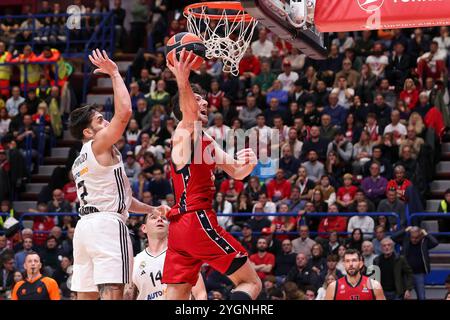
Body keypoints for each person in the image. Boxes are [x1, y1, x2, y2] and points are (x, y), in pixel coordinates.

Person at [68, 50, 170, 300]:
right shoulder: (99, 145)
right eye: (100, 120)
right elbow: (124, 114)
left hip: (84, 229)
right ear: (88, 132)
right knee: (114, 291)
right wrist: (114, 73)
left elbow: (123, 199)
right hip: (107, 226)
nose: (106, 124)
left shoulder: (79, 159)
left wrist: (151, 209)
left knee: (86, 294)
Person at [163, 49, 261, 300]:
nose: (204, 102)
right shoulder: (183, 133)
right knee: (250, 282)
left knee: (177, 295)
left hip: (179, 230)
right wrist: (182, 80)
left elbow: (236, 172)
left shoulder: (206, 141)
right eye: (198, 98)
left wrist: (247, 166)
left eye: (204, 98)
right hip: (198, 221)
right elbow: (189, 115)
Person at [124, 212, 206, 300]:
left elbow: (200, 294)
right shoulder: (134, 262)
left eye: (164, 218)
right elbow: (127, 296)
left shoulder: (183, 257)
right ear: (144, 228)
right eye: (153, 217)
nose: (159, 219)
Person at [391, 226, 439, 300]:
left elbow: (435, 242)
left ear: (420, 236)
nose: (414, 239)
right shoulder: (405, 241)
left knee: (421, 297)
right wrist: (405, 230)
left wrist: (426, 233)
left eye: (416, 237)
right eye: (412, 237)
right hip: (405, 274)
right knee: (401, 295)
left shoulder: (424, 242)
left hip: (419, 273)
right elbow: (393, 237)